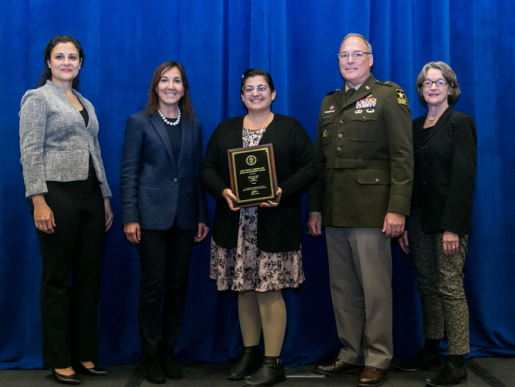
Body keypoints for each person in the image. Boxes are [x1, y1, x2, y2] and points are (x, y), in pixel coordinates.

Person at [307, 33, 413, 387]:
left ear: (371, 59)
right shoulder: (330, 102)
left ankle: (378, 356)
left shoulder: (388, 96)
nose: (349, 60)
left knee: (375, 288)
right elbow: (322, 165)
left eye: (357, 54)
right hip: (336, 212)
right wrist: (316, 210)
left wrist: (398, 209)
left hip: (372, 212)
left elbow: (402, 157)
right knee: (343, 288)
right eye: (343, 55)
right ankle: (350, 352)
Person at [201, 69, 316, 387]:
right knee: (244, 291)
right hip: (234, 227)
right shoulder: (225, 129)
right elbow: (207, 168)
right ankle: (250, 354)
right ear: (241, 96)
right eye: (249, 89)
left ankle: (273, 362)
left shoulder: (290, 128)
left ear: (273, 93)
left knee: (269, 291)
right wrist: (224, 191)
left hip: (275, 226)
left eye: (262, 88)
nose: (255, 93)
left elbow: (311, 167)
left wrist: (283, 190)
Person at [19, 35, 113, 385]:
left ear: (81, 63)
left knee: (89, 278)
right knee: (58, 279)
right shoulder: (37, 98)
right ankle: (60, 359)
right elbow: (29, 152)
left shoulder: (84, 101)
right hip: (56, 195)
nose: (66, 62)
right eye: (59, 57)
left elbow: (96, 152)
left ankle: (84, 354)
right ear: (48, 62)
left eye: (73, 57)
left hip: (90, 197)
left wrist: (104, 198)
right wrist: (38, 200)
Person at [120, 61, 209, 384]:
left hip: (185, 218)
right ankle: (151, 355)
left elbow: (196, 176)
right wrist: (129, 216)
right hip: (150, 219)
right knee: (153, 286)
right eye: (164, 80)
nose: (171, 86)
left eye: (177, 81)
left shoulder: (193, 125)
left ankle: (169, 351)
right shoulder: (138, 122)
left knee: (178, 287)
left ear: (184, 88)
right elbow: (129, 172)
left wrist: (202, 215)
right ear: (155, 86)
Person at [395, 62, 477, 387]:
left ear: (450, 87)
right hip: (417, 219)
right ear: (420, 89)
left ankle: (456, 362)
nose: (432, 87)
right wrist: (401, 221)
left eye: (439, 82)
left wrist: (453, 227)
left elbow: (463, 178)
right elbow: (406, 177)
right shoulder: (414, 127)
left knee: (450, 287)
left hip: (448, 223)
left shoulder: (461, 123)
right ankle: (431, 350)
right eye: (426, 83)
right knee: (427, 285)